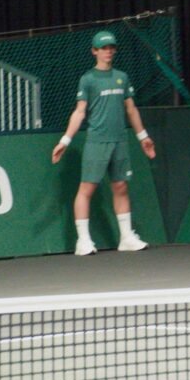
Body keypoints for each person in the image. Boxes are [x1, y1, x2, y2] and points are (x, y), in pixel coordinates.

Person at [51, 30, 156, 256]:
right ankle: (83, 241)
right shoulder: (88, 79)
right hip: (97, 142)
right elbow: (79, 112)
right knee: (86, 189)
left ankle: (126, 238)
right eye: (103, 48)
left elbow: (131, 109)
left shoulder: (122, 77)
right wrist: (65, 141)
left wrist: (143, 137)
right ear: (94, 51)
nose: (108, 51)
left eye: (111, 48)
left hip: (120, 140)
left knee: (121, 186)